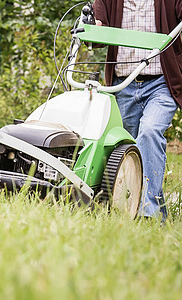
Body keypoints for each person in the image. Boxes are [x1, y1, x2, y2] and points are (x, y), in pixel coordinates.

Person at [92, 0, 182, 220]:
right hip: (124, 83)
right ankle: (146, 208)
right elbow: (97, 28)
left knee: (150, 131)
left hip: (161, 83)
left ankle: (147, 213)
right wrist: (91, 27)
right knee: (129, 148)